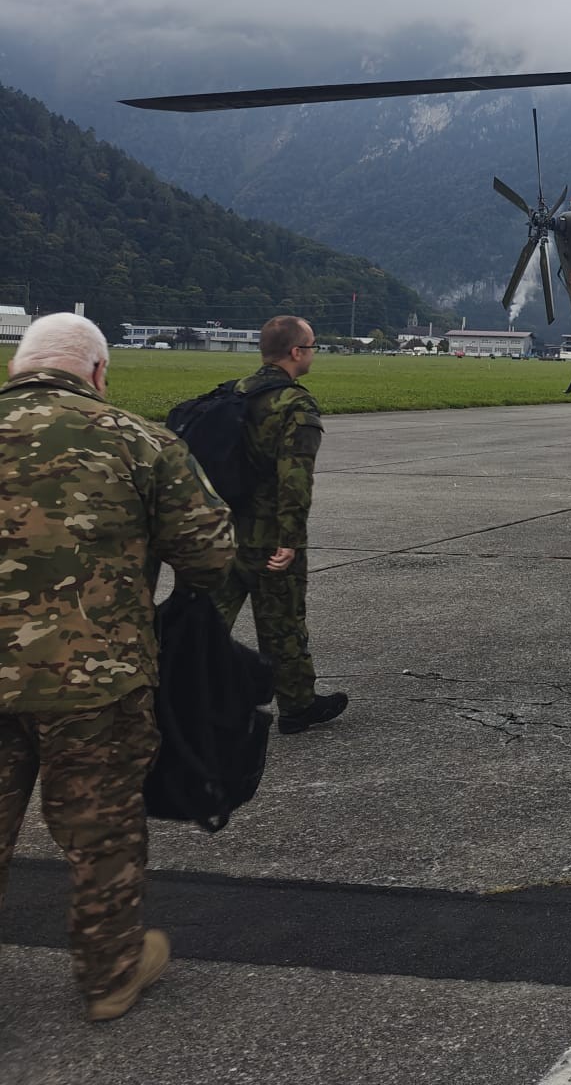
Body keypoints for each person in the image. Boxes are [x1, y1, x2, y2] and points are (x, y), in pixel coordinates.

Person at [2, 314, 237, 1020]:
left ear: (19, 365)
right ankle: (109, 975)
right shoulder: (138, 441)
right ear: (99, 372)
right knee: (98, 831)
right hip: (93, 679)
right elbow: (211, 555)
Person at [218, 315, 347, 734]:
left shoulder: (235, 393)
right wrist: (290, 539)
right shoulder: (295, 404)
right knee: (283, 623)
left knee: (206, 620)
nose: (312, 352)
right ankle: (297, 705)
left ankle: (175, 696)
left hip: (226, 532)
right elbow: (295, 479)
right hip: (270, 534)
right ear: (296, 353)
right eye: (311, 345)